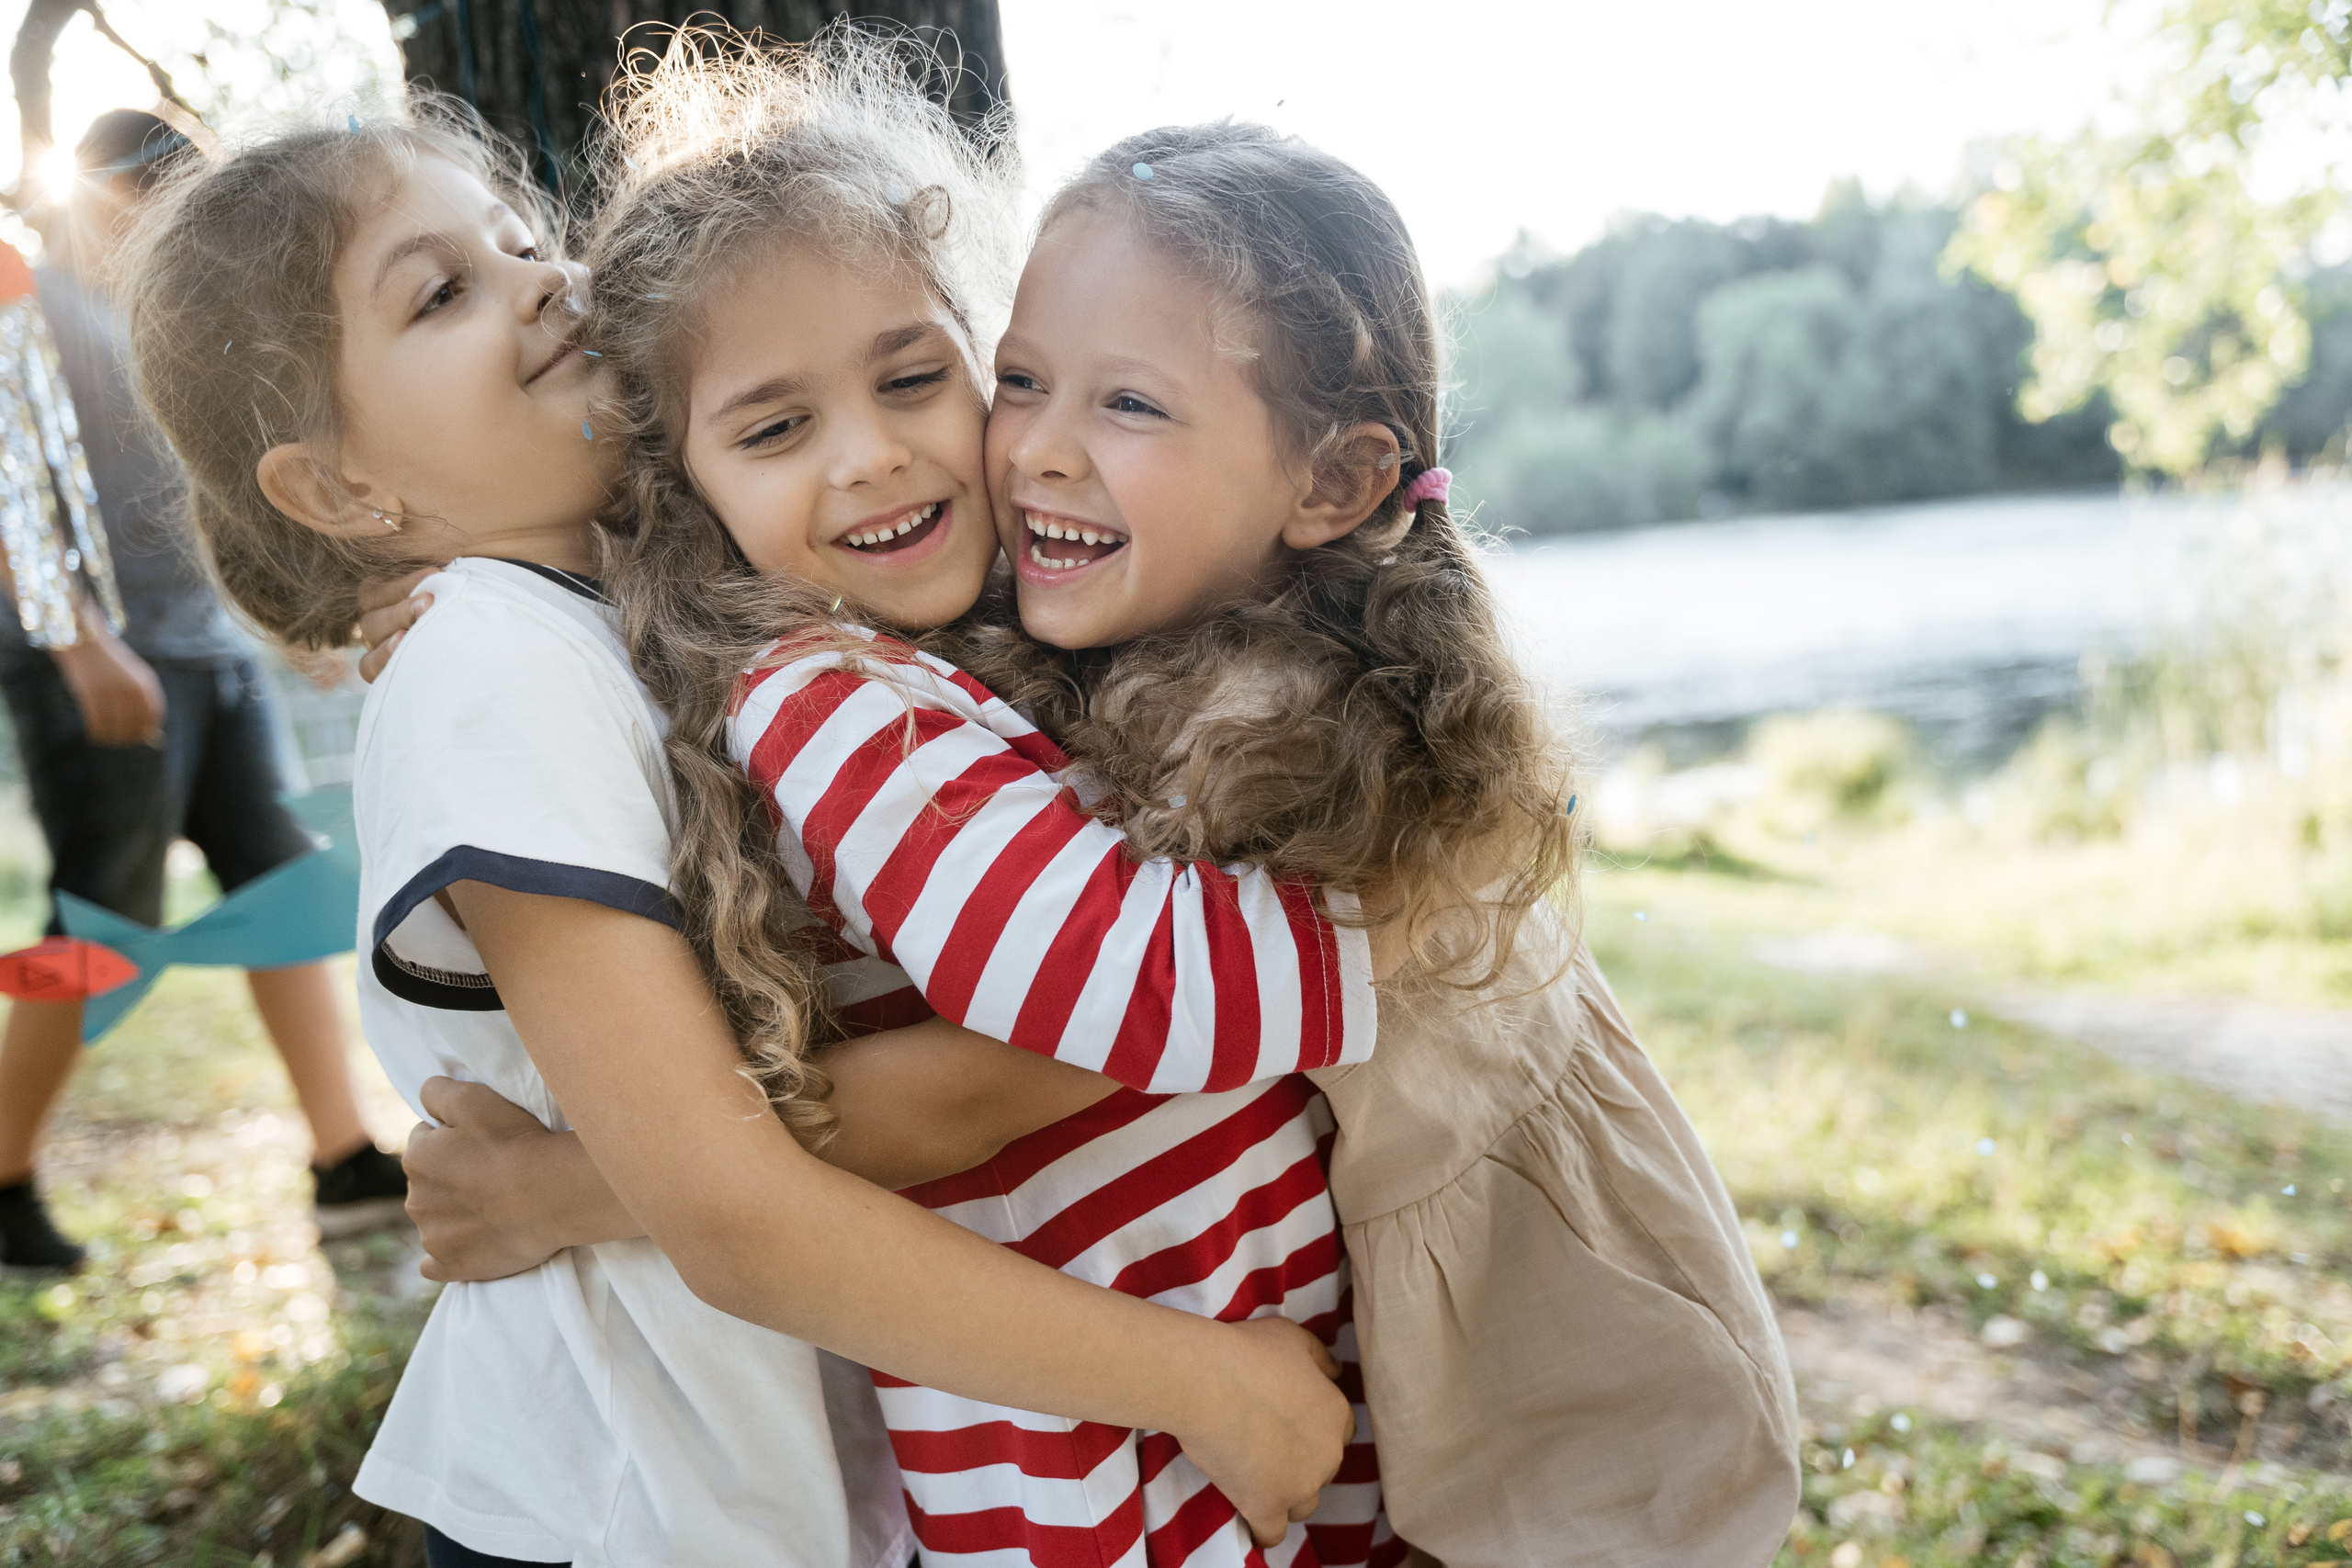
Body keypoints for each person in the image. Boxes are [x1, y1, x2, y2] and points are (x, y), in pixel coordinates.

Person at [402, 117, 1805, 1565]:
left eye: (927, 380)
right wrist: (1400, 918)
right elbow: (1092, 999)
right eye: (1027, 384)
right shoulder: (830, 695)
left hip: (1296, 1345)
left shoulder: (1020, 624)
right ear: (686, 478)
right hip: (1101, 1449)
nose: (884, 456)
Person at [122, 85, 1353, 1568]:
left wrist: (569, 1192)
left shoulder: (642, 617)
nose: (538, 282)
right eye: (442, 291)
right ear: (337, 488)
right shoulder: (493, 666)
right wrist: (1203, 1382)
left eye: (523, 242)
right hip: (625, 1500)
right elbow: (730, 1206)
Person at [0, 108, 405, 1274]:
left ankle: (342, 1157)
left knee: (278, 883)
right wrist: (73, 640)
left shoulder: (159, 320)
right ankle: (3, 1169)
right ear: (112, 197)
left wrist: (292, 619)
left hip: (206, 656)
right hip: (97, 662)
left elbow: (214, 498)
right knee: (102, 919)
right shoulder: (28, 290)